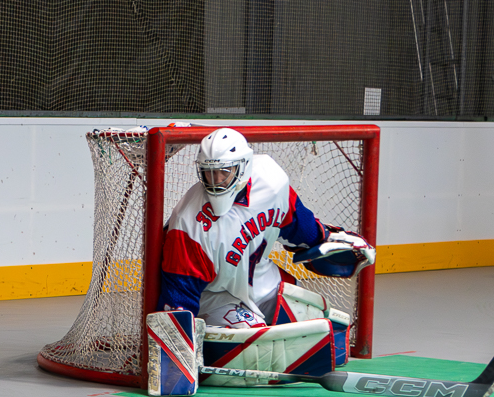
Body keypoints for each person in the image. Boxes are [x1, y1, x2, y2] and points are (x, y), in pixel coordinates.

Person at [157, 127, 375, 329]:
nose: (216, 181)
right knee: (259, 346)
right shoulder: (189, 224)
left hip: (264, 282)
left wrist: (327, 238)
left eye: (224, 172)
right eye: (209, 173)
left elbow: (299, 227)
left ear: (243, 167)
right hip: (216, 298)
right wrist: (178, 349)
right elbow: (179, 298)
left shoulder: (271, 181)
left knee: (318, 326)